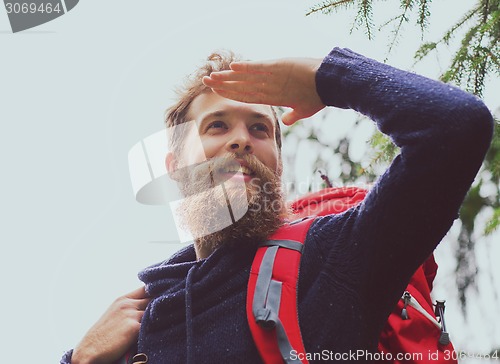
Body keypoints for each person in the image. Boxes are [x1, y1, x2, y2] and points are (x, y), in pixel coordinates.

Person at [61, 47, 493, 364]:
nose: (241, 139)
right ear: (174, 166)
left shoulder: (332, 258)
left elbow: (456, 125)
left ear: (278, 166)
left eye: (259, 129)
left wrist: (328, 77)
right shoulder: (136, 326)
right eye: (217, 125)